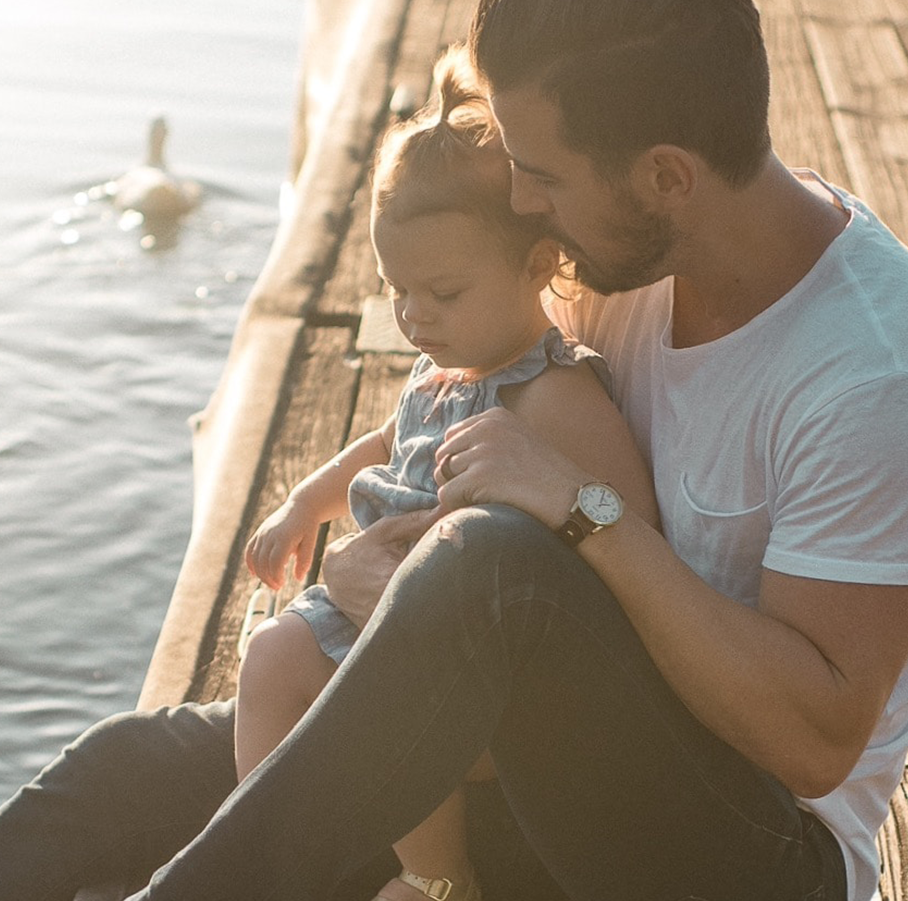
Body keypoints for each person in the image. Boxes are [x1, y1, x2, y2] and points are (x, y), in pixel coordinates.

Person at [0, 0, 908, 901]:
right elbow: (459, 403)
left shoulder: (885, 383)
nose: (522, 207)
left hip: (740, 853)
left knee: (492, 567)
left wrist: (584, 517)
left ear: (665, 176)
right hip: (523, 752)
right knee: (130, 772)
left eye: (544, 179)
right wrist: (385, 576)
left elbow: (812, 742)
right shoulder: (628, 256)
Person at [234, 45, 658, 901]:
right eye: (398, 292)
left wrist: (561, 519)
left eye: (446, 293)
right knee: (270, 659)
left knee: (387, 707)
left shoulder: (553, 391)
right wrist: (303, 508)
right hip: (378, 598)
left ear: (540, 264)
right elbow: (382, 445)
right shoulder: (443, 374)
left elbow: (630, 521)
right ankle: (266, 846)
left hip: (466, 641)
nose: (415, 317)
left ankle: (438, 877)